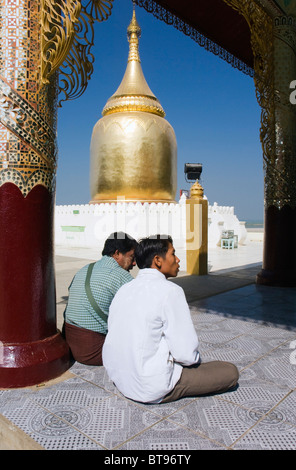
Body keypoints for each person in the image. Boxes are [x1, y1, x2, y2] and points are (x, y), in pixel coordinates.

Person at [102, 235, 239, 404]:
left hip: (120, 378)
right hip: (149, 386)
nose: (178, 260)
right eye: (173, 254)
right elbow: (187, 355)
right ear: (158, 260)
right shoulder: (170, 291)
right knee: (230, 372)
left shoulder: (125, 289)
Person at [63, 232, 137, 366]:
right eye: (131, 256)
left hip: (69, 343)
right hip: (93, 351)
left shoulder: (86, 268)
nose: (134, 263)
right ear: (117, 254)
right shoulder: (121, 276)